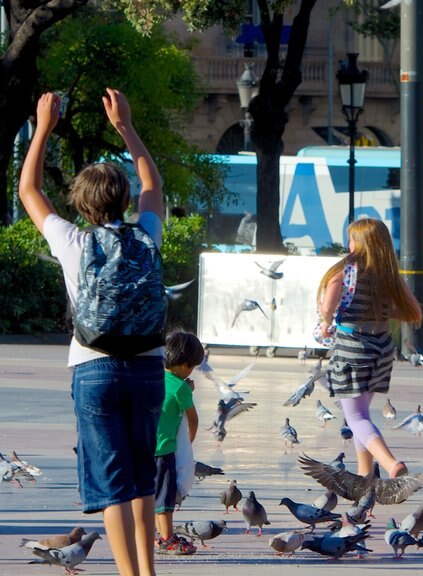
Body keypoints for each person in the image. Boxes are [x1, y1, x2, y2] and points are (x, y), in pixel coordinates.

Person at [19, 89, 165, 576]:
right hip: (148, 365)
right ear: (124, 200)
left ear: (81, 205)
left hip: (94, 366)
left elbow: (28, 192)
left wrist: (43, 128)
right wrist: (125, 126)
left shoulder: (72, 241)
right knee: (143, 476)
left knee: (111, 483)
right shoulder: (146, 234)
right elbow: (154, 183)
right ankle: (148, 571)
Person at [316, 218, 423, 478]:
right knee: (362, 415)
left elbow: (329, 305)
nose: (349, 244)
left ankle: (389, 463)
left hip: (353, 348)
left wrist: (325, 322)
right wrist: (381, 310)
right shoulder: (390, 277)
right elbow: (414, 311)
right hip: (382, 350)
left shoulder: (346, 271)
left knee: (355, 418)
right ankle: (365, 478)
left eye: (351, 239)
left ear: (360, 242)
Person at [154, 332, 202, 556]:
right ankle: (167, 538)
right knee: (165, 497)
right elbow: (193, 419)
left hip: (140, 447)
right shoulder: (182, 388)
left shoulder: (151, 377)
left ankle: (148, 534)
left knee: (146, 495)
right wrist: (188, 443)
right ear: (184, 365)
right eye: (192, 366)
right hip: (163, 449)